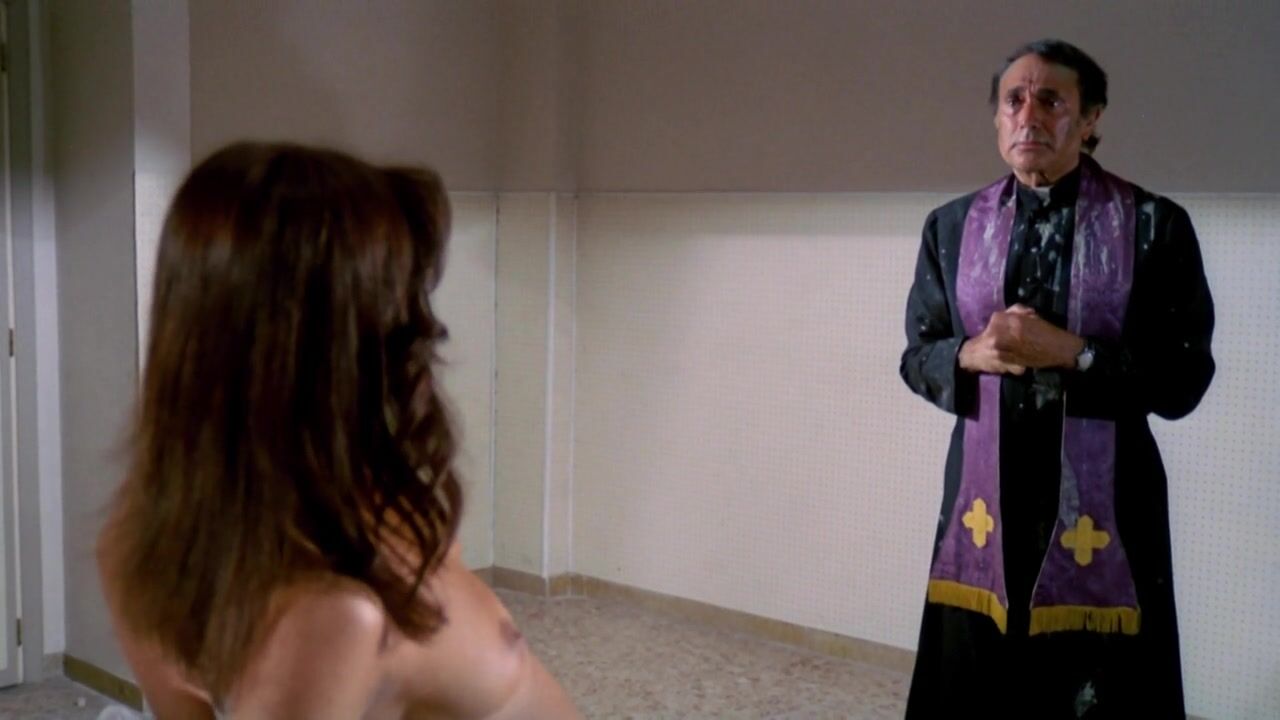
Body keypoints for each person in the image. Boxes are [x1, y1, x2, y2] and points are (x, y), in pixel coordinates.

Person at [97, 142, 581, 719]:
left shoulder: (141, 539)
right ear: (328, 350)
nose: (422, 330)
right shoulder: (339, 615)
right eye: (393, 304)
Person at [899, 39, 1215, 718]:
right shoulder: (950, 228)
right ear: (996, 117)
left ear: (1091, 117)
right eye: (1013, 100)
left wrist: (1078, 354)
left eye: (1051, 100)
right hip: (984, 501)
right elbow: (916, 357)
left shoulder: (1155, 227)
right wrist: (968, 355)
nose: (1028, 115)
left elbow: (1184, 379)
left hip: (1109, 505)